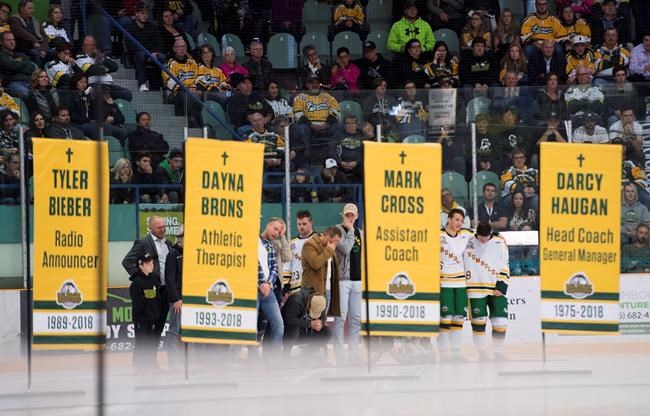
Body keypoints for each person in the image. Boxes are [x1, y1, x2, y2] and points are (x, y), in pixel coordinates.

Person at [463, 221, 510, 360]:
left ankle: (498, 352)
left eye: (487, 236)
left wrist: (501, 286)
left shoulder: (499, 243)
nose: (484, 239)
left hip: (495, 288)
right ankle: (481, 353)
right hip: (474, 288)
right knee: (479, 321)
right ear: (476, 233)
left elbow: (505, 264)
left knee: (500, 321)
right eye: (481, 236)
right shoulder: (467, 241)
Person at [123, 215, 173, 343]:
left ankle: (152, 360)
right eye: (159, 227)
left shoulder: (168, 244)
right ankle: (144, 360)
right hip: (151, 291)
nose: (162, 229)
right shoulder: (143, 243)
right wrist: (141, 279)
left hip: (165, 291)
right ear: (150, 228)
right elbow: (127, 262)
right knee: (147, 330)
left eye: (164, 227)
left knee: (159, 328)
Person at [439, 208, 473, 360]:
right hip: (444, 281)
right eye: (457, 219)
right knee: (445, 319)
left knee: (459, 318)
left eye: (461, 220)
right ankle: (444, 354)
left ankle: (457, 353)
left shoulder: (465, 234)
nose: (459, 223)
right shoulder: (438, 235)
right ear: (449, 219)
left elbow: (483, 235)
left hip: (460, 282)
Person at [333, 203, 362, 362]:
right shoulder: (336, 230)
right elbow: (344, 248)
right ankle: (339, 353)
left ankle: (354, 351)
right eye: (347, 215)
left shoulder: (361, 233)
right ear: (342, 215)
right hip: (342, 280)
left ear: (357, 215)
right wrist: (350, 230)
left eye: (352, 215)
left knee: (356, 318)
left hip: (358, 280)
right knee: (340, 317)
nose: (350, 217)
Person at [292, 74, 340, 162]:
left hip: (326, 125)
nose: (314, 85)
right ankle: (305, 156)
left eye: (317, 83)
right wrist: (311, 125)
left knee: (338, 126)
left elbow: (335, 112)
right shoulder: (300, 98)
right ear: (307, 85)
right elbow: (298, 115)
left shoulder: (328, 97)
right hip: (309, 126)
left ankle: (332, 153)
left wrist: (327, 124)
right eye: (311, 83)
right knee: (302, 128)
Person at [257, 218, 285, 357]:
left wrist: (268, 284)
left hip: (269, 290)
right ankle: (252, 358)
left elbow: (274, 266)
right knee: (251, 327)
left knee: (278, 324)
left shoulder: (271, 245)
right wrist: (261, 283)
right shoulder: (253, 240)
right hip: (253, 290)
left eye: (279, 231)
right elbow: (251, 262)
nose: (277, 233)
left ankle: (274, 358)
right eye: (275, 228)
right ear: (267, 225)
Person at [129, 252, 161, 372]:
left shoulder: (154, 279)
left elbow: (157, 297)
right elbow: (138, 303)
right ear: (141, 265)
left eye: (152, 263)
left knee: (150, 342)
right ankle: (139, 365)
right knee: (141, 342)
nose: (151, 265)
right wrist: (148, 301)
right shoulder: (137, 282)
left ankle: (149, 364)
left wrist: (155, 313)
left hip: (152, 318)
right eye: (148, 263)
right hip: (142, 319)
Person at [75, 35, 133, 101]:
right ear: (83, 47)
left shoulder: (100, 56)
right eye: (89, 45)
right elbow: (91, 70)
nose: (92, 47)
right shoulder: (80, 58)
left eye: (93, 45)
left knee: (126, 93)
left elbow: (114, 67)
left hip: (109, 86)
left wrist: (102, 57)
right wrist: (106, 69)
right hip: (94, 86)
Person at [301, 226, 342, 316]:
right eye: (334, 241)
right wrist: (328, 250)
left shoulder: (330, 247)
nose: (335, 244)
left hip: (326, 290)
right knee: (310, 321)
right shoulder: (310, 244)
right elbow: (315, 263)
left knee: (322, 322)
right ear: (327, 236)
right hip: (312, 290)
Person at [163, 38, 202, 127]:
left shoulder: (193, 62)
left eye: (183, 46)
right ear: (174, 49)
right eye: (179, 47)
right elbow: (170, 82)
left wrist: (197, 88)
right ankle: (191, 121)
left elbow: (199, 77)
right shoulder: (169, 63)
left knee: (206, 95)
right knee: (189, 96)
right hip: (176, 94)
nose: (181, 49)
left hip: (194, 91)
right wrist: (188, 90)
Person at [126, 3, 166, 91]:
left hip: (153, 53)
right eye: (142, 13)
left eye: (146, 14)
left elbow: (159, 43)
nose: (145, 16)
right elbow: (132, 46)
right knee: (141, 55)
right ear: (136, 14)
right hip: (137, 54)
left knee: (162, 57)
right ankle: (142, 83)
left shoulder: (152, 27)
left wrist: (154, 53)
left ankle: (163, 85)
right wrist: (148, 54)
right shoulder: (130, 28)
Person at [282, 289, 330, 360]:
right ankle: (284, 356)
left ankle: (306, 356)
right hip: (287, 333)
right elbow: (289, 320)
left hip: (306, 330)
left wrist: (320, 323)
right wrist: (309, 324)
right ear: (309, 303)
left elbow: (323, 318)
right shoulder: (295, 300)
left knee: (326, 332)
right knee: (294, 328)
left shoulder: (321, 301)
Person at [282, 210, 316, 297]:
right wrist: (286, 284)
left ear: (311, 223)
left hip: (313, 286)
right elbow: (287, 264)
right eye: (299, 224)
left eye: (304, 224)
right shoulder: (292, 243)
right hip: (295, 287)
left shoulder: (318, 239)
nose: (301, 227)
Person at [164, 225, 183, 369]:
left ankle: (191, 360)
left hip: (190, 299)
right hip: (178, 300)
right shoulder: (173, 253)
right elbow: (169, 279)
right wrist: (176, 299)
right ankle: (173, 361)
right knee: (174, 330)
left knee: (189, 330)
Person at [7, 0, 49, 66]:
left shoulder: (35, 22)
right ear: (21, 9)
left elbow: (45, 37)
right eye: (30, 8)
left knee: (53, 52)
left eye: (33, 8)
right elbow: (20, 32)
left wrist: (43, 49)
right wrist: (34, 41)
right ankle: (38, 73)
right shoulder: (14, 19)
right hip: (24, 49)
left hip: (39, 47)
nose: (32, 10)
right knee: (35, 53)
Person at [0, 31, 38, 99]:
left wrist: (16, 68)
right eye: (8, 40)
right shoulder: (1, 55)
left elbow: (31, 67)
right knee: (28, 94)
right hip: (12, 84)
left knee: (44, 93)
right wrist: (24, 63)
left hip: (29, 82)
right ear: (1, 42)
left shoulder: (20, 55)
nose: (12, 42)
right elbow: (11, 67)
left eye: (13, 39)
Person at [328, 114, 364, 183]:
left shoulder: (361, 135)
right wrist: (340, 162)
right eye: (348, 123)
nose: (350, 125)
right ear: (344, 125)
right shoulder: (338, 135)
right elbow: (331, 149)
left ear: (356, 124)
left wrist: (356, 162)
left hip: (357, 165)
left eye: (353, 123)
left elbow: (364, 151)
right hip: (340, 164)